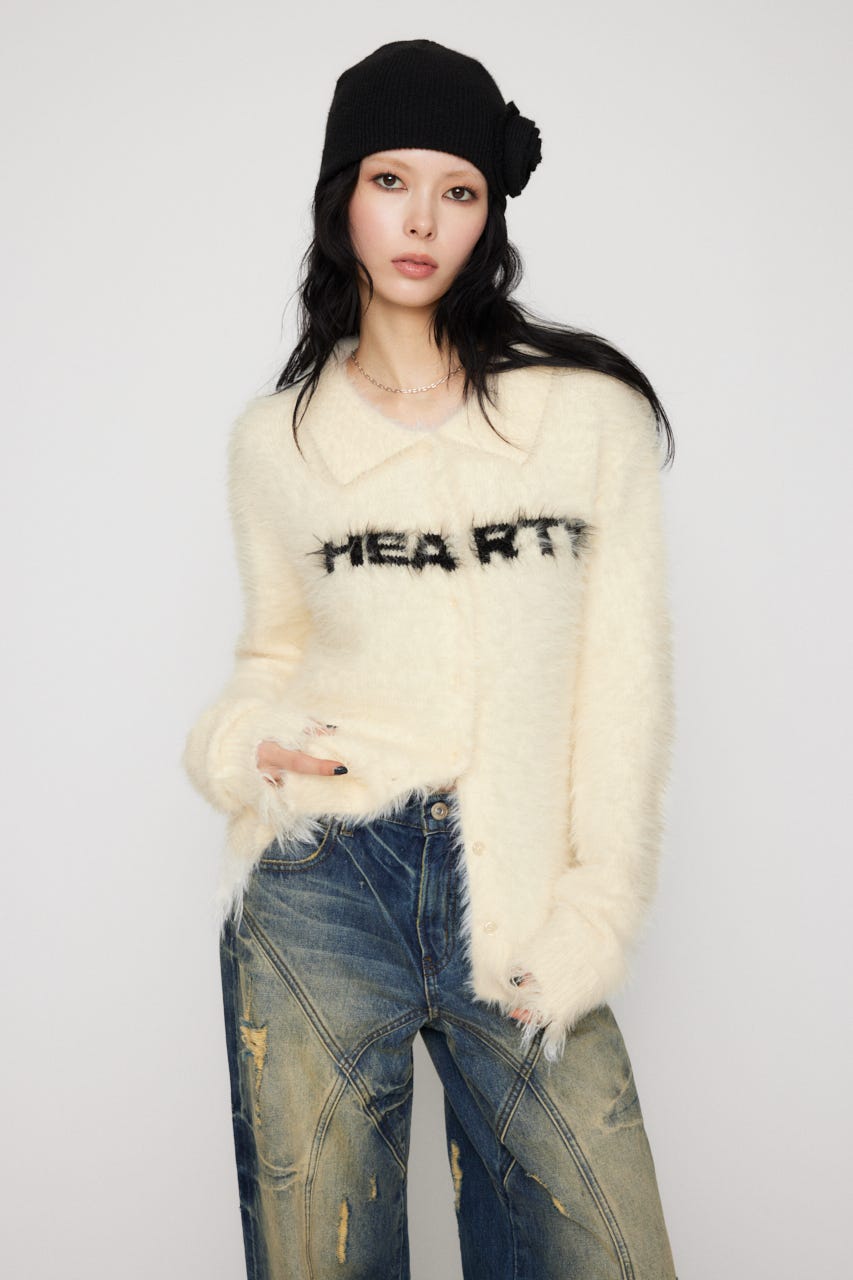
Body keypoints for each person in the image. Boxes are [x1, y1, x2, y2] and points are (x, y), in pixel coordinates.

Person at [182, 37, 679, 1280]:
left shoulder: (586, 419)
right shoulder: (278, 442)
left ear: (488, 213)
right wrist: (242, 743)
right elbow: (270, 652)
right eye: (389, 181)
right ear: (341, 197)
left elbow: (623, 683)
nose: (420, 221)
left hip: (515, 884)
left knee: (608, 1253)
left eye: (456, 190)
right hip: (322, 880)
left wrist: (596, 906)